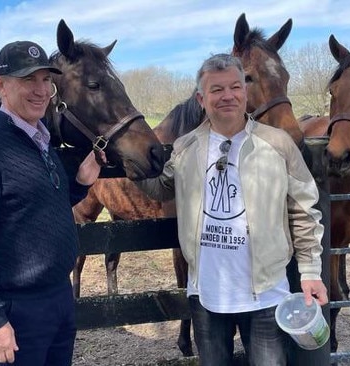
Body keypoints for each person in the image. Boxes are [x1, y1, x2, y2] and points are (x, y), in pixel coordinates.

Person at [136, 53, 328, 365]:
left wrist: (309, 271)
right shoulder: (186, 148)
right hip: (206, 295)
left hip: (266, 294)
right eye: (216, 89)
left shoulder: (277, 145)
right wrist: (128, 165)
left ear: (245, 91)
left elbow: (304, 209)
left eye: (235, 87)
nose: (227, 96)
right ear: (201, 98)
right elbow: (161, 188)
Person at [0, 40, 105, 365]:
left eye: (46, 80)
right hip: (14, 310)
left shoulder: (40, 139)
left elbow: (37, 208)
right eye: (28, 80)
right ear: (1, 85)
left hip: (58, 299)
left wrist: (79, 184)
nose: (41, 90)